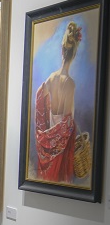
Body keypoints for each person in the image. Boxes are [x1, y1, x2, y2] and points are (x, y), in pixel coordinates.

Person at [35, 21, 82, 182]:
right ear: (74, 54)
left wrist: (47, 126)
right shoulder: (70, 83)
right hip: (62, 147)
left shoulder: (51, 78)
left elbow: (39, 97)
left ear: (62, 51)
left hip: (48, 137)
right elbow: (68, 121)